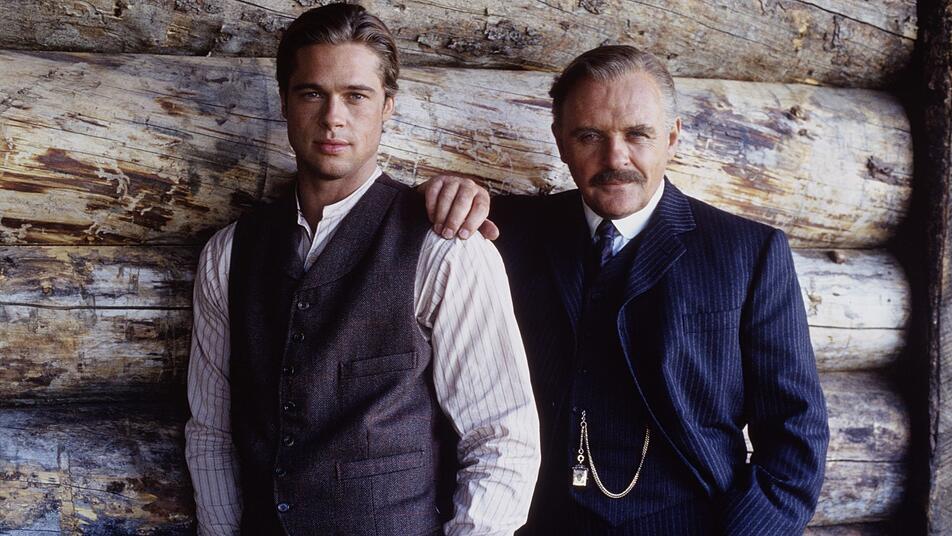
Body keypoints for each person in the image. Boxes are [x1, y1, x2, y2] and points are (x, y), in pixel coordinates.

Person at [423, 45, 829, 535]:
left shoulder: (751, 253)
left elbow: (796, 436)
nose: (615, 158)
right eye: (589, 136)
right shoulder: (499, 233)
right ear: (560, 142)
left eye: (638, 134)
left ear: (672, 137)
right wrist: (440, 196)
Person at [183, 5, 540, 535]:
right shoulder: (228, 253)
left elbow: (502, 439)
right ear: (284, 101)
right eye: (312, 93)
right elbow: (211, 433)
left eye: (356, 96)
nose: (333, 118)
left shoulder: (445, 248)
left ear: (387, 106)